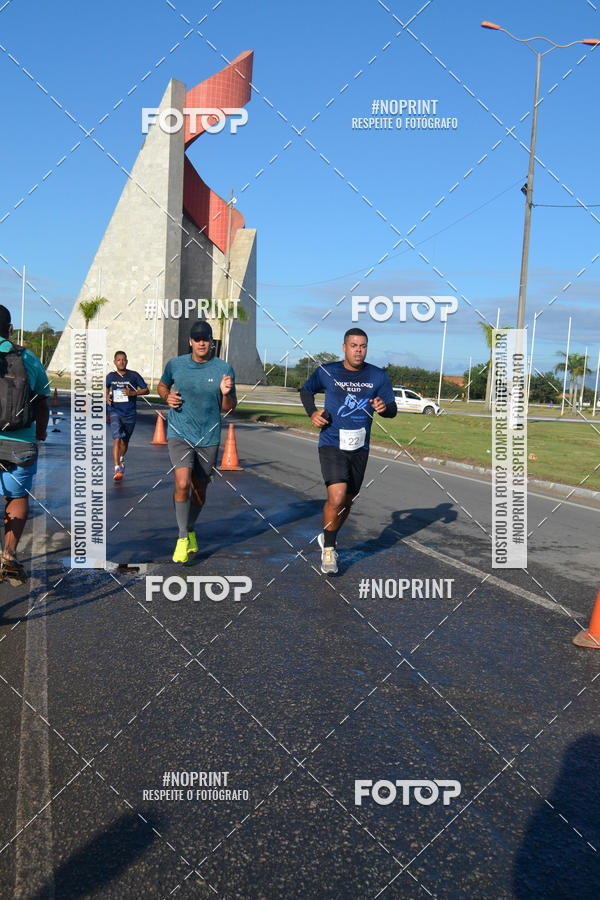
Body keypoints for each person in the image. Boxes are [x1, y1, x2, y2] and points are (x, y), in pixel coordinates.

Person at [300, 328, 397, 575]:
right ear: (344, 347)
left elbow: (392, 409)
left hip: (360, 447)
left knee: (347, 502)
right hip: (332, 443)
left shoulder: (377, 376)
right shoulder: (328, 372)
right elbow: (306, 390)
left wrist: (383, 408)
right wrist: (312, 412)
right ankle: (329, 550)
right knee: (336, 497)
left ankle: (327, 535)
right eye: (354, 345)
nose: (358, 350)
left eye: (363, 346)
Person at [157, 321, 236, 563]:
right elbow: (162, 386)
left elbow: (229, 408)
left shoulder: (223, 369)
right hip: (179, 432)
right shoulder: (176, 364)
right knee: (182, 483)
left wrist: (225, 394)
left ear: (211, 342)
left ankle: (189, 528)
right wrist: (167, 396)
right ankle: (182, 537)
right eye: (197, 338)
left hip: (208, 437)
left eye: (206, 339)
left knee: (199, 489)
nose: (201, 343)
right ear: (190, 341)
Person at [0, 305, 50, 584]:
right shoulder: (27, 357)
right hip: (20, 441)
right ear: (10, 329)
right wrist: (40, 433)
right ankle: (8, 555)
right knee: (16, 498)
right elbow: (42, 400)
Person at [105, 351, 149, 481]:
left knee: (125, 442)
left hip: (129, 413)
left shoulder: (133, 375)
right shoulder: (110, 376)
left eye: (124, 359)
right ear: (114, 362)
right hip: (115, 411)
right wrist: (106, 396)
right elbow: (106, 387)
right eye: (118, 360)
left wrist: (133, 393)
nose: (121, 362)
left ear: (127, 361)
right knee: (117, 438)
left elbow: (146, 390)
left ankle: (121, 459)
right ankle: (117, 469)